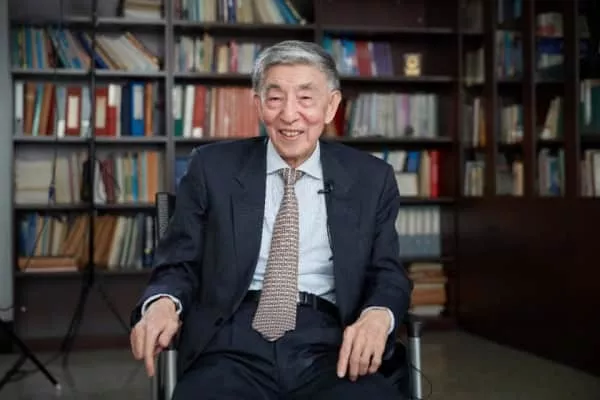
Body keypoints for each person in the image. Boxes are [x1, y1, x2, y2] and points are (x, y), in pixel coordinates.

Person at [129, 39, 413, 399]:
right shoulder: (212, 168)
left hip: (334, 341)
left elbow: (388, 272)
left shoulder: (371, 178)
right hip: (229, 339)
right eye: (275, 98)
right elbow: (178, 263)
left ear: (331, 106)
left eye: (305, 98)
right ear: (258, 104)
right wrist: (163, 303)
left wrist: (378, 315)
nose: (289, 115)